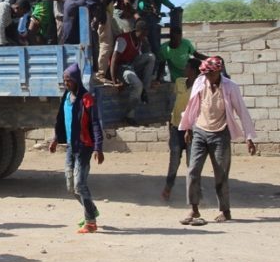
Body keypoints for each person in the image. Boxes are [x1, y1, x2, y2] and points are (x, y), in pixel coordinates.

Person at [178, 56, 257, 225]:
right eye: (205, 74)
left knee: (221, 173)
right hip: (199, 130)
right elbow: (191, 106)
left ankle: (225, 211)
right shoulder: (200, 82)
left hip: (221, 133)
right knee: (193, 170)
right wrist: (188, 128)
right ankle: (194, 208)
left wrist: (249, 137)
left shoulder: (230, 87)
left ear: (219, 71)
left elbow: (242, 111)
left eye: (211, 74)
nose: (208, 77)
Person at [49, 63, 104, 233]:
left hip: (84, 147)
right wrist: (56, 138)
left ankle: (91, 222)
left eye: (69, 80)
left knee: (80, 184)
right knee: (70, 187)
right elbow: (61, 120)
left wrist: (98, 147)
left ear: (76, 81)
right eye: (65, 80)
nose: (67, 83)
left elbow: (95, 123)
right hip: (71, 147)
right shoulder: (66, 96)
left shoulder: (87, 98)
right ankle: (91, 209)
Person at [161, 58, 201, 201]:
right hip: (176, 127)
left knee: (192, 163)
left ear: (194, 71)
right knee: (174, 161)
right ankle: (168, 188)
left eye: (187, 67)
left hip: (192, 129)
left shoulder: (200, 86)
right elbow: (175, 101)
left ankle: (195, 194)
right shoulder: (179, 82)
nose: (185, 69)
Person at [98, 0, 141, 80]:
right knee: (107, 42)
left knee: (116, 37)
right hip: (104, 6)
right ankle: (101, 73)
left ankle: (110, 70)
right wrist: (101, 9)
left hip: (109, 6)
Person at [109, 20, 155, 125]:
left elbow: (141, 56)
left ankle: (145, 90)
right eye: (143, 34)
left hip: (131, 65)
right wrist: (114, 80)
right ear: (138, 31)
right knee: (137, 85)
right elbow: (113, 61)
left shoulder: (140, 40)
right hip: (122, 68)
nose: (144, 37)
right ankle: (129, 115)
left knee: (151, 57)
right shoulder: (123, 40)